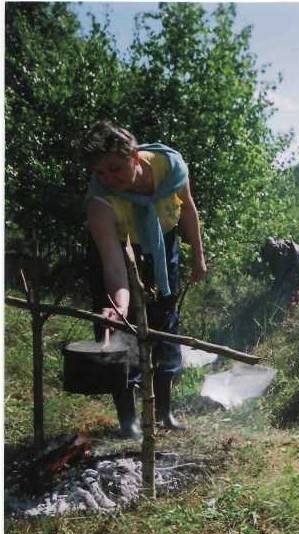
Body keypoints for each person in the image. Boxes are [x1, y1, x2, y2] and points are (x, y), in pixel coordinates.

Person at [81, 120, 208, 437]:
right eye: (100, 173)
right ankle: (129, 421)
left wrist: (199, 256)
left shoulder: (169, 166)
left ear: (135, 156)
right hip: (120, 256)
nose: (109, 179)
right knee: (120, 335)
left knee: (165, 326)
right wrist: (119, 306)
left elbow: (188, 209)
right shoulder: (100, 203)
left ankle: (163, 413)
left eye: (114, 169)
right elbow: (113, 265)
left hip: (164, 249)